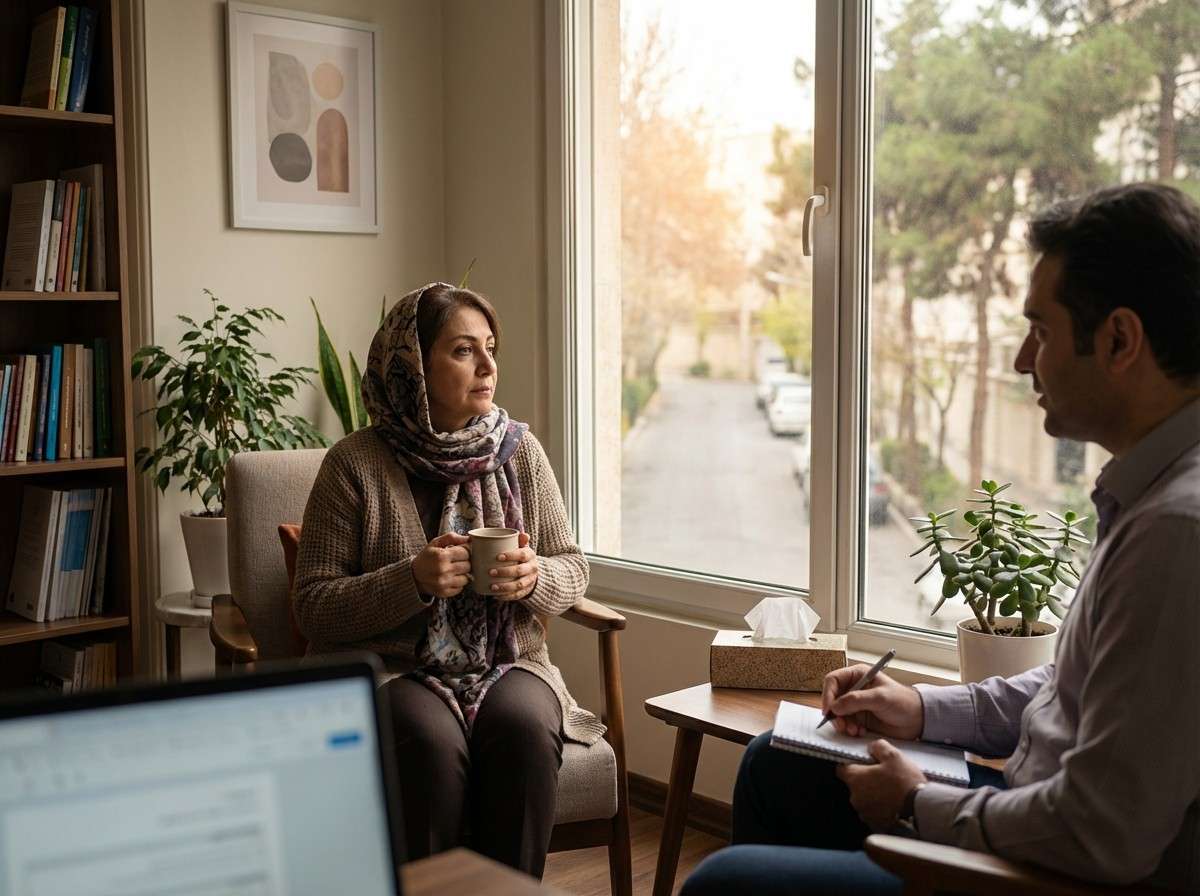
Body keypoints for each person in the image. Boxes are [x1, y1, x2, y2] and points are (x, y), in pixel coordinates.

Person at [683, 182, 1200, 895]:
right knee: (778, 757)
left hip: (1045, 872)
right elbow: (1071, 688)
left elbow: (1099, 833)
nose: (1022, 360)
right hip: (1023, 813)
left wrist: (915, 801)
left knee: (725, 884)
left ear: (1118, 340)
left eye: (1041, 332)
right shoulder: (1149, 497)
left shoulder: (1177, 534)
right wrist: (921, 707)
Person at [292, 282, 604, 878]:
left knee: (523, 733)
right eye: (464, 350)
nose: (488, 366)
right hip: (392, 666)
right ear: (414, 367)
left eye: (490, 348)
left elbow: (572, 565)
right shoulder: (354, 464)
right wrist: (410, 578)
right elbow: (313, 607)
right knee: (428, 745)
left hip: (509, 660)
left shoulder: (520, 451)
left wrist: (534, 577)